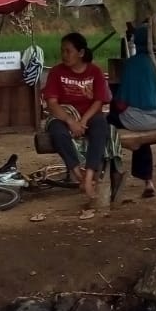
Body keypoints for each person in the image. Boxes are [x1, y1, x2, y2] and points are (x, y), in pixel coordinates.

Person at [42, 32, 112, 208]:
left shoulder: (95, 72)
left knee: (100, 128)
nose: (64, 55)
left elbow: (98, 101)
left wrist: (84, 121)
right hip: (64, 115)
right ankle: (79, 175)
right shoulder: (56, 72)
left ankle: (89, 176)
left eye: (68, 51)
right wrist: (70, 121)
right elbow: (52, 103)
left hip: (89, 114)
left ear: (81, 53)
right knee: (57, 133)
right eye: (62, 51)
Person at [110, 25, 156, 199]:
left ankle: (115, 170)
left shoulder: (132, 64)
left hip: (138, 120)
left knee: (110, 121)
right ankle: (148, 181)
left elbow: (122, 101)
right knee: (140, 129)